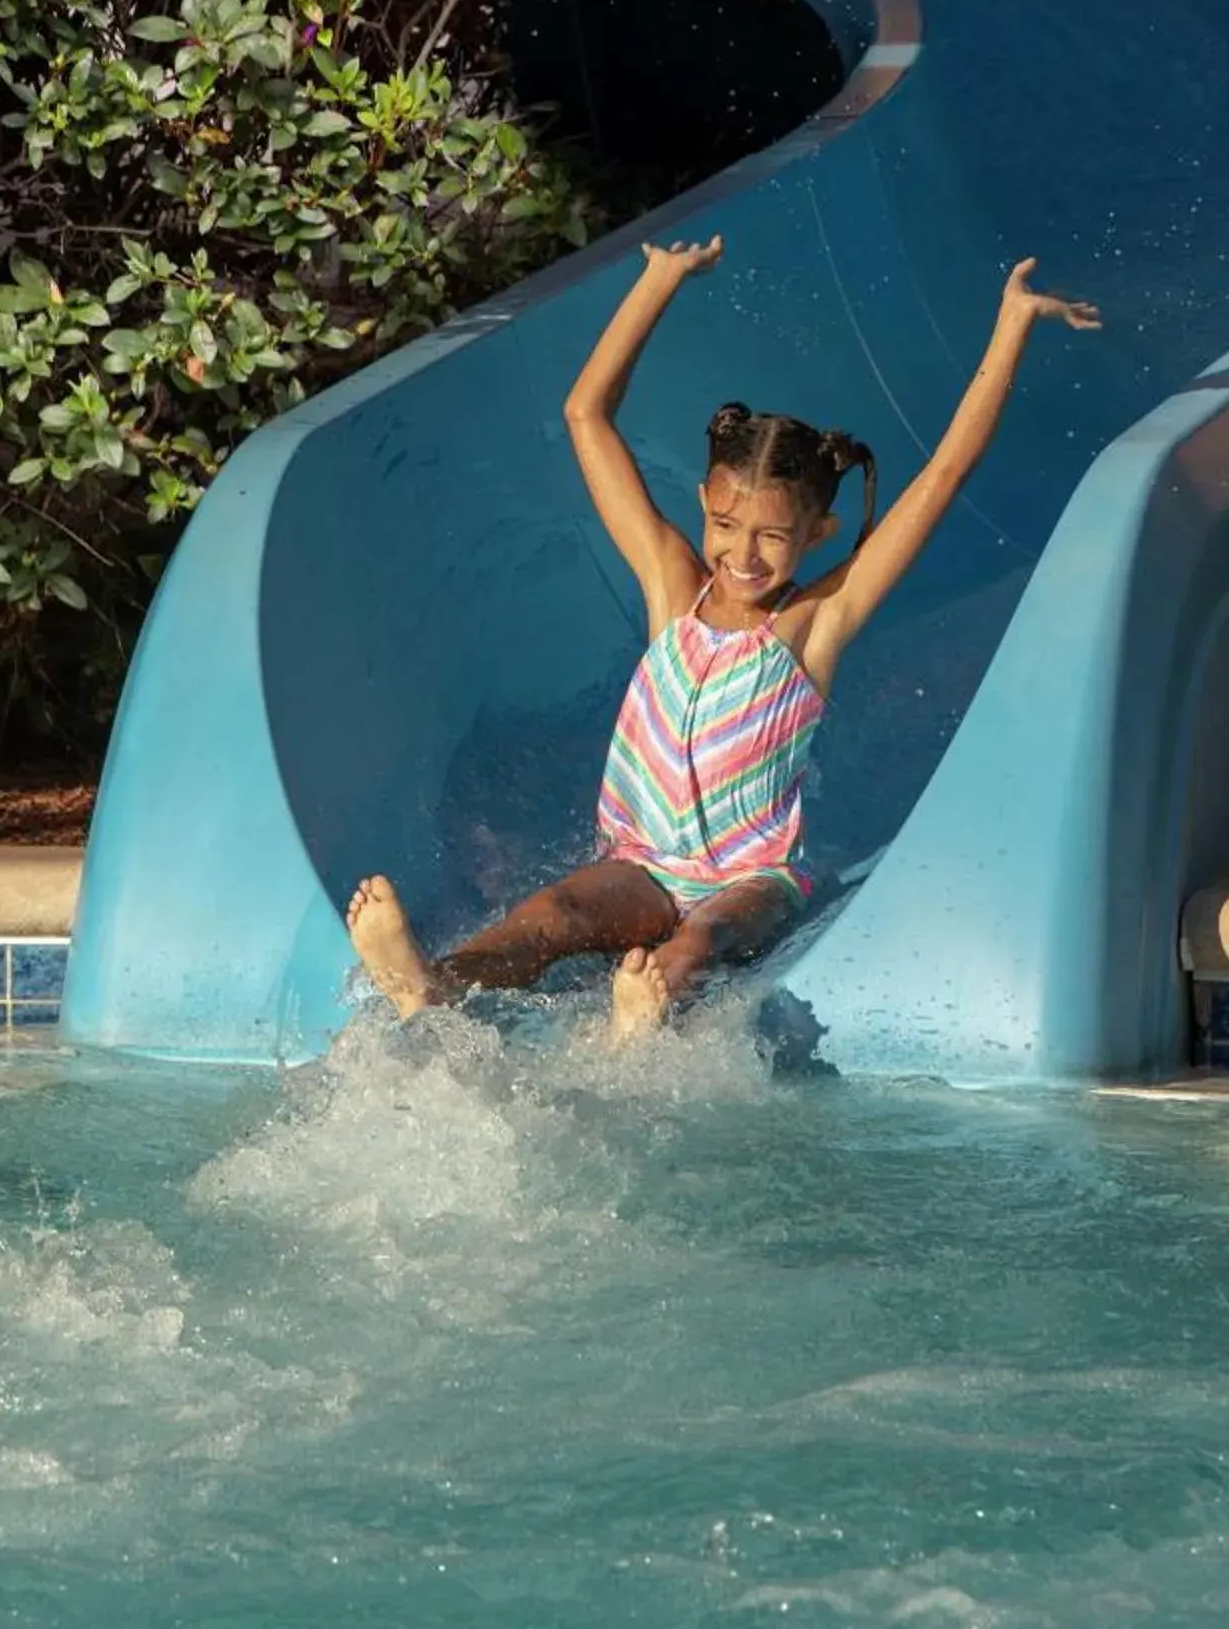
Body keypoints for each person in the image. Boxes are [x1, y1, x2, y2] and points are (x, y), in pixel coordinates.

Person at [346, 237, 1101, 1036]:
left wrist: (1011, 326)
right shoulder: (672, 588)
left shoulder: (816, 622)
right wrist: (659, 280)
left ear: (819, 532)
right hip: (641, 865)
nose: (743, 554)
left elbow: (945, 472)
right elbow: (585, 415)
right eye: (725, 523)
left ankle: (637, 1028)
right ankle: (433, 983)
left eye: (773, 537)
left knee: (700, 939)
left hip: (753, 877)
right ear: (704, 503)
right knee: (557, 910)